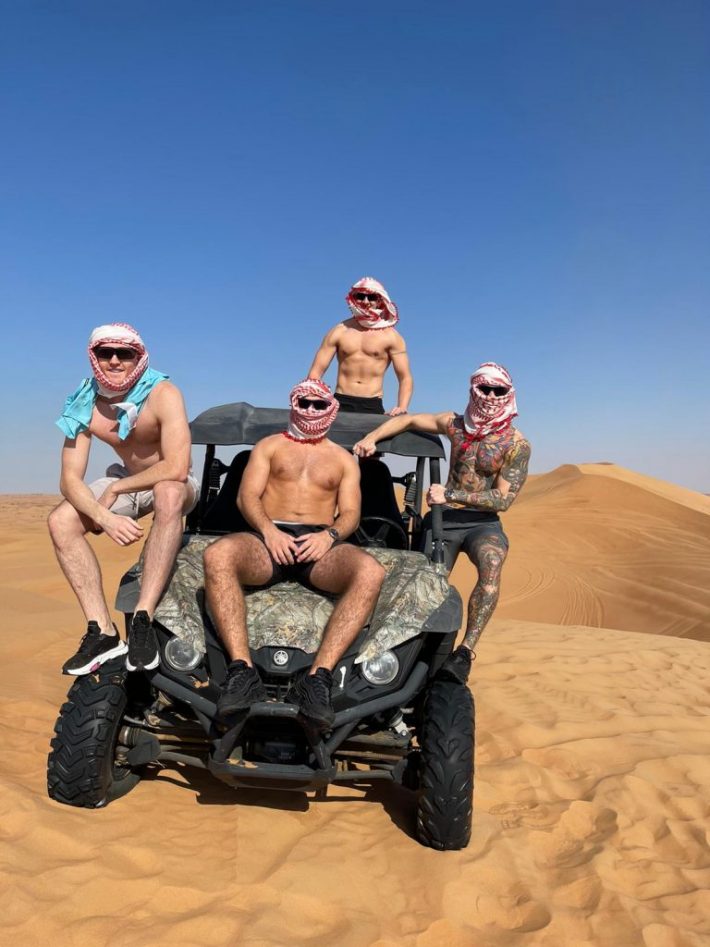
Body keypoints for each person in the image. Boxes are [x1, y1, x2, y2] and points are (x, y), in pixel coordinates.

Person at [203, 378, 386, 731]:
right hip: (267, 540)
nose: (311, 411)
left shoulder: (344, 459)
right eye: (305, 403)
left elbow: (350, 513)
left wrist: (329, 536)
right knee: (218, 555)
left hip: (317, 544)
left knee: (371, 572)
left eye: (319, 405)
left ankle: (318, 679)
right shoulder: (269, 447)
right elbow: (247, 498)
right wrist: (270, 532)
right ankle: (242, 672)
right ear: (294, 405)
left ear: (331, 410)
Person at [354, 363, 530, 684]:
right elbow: (407, 419)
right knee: (424, 583)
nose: (490, 396)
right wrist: (372, 437)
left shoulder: (516, 444)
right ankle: (402, 656)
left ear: (509, 394)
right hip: (444, 520)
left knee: (492, 563)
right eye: (484, 389)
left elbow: (503, 499)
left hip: (482, 524)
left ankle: (464, 653)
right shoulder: (456, 425)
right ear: (473, 389)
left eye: (498, 391)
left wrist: (448, 493)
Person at [49, 324, 198, 676]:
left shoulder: (163, 393)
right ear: (93, 356)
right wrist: (104, 515)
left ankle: (143, 618)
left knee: (170, 491)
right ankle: (101, 630)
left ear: (139, 357)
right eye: (105, 353)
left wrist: (116, 490)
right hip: (125, 479)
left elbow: (175, 467)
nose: (115, 360)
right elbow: (69, 480)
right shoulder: (83, 401)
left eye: (125, 353)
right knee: (60, 521)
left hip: (170, 480)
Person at [308, 276, 413, 416]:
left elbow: (405, 377)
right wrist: (311, 398)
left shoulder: (392, 337)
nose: (366, 301)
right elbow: (316, 371)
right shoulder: (339, 331)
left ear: (380, 300)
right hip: (341, 401)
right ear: (353, 298)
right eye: (361, 296)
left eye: (372, 297)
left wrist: (402, 406)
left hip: (372, 403)